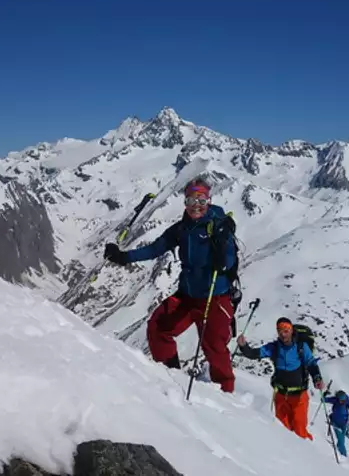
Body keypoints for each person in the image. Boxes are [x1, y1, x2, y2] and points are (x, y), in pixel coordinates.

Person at [103, 177, 238, 393]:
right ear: (185, 202)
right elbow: (156, 248)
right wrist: (124, 257)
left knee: (214, 349)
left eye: (201, 199)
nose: (196, 205)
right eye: (191, 200)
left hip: (215, 297)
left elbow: (230, 258)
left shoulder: (219, 228)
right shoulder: (181, 229)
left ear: (209, 201)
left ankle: (226, 396)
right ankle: (171, 378)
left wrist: (223, 259)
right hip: (187, 296)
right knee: (158, 327)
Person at [236, 317, 325, 440]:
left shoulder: (301, 347)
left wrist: (317, 378)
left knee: (299, 430)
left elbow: (311, 363)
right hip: (280, 395)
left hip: (299, 396)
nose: (283, 334)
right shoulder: (274, 347)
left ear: (291, 330)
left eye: (286, 330)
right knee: (283, 431)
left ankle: (305, 455)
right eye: (280, 331)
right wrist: (243, 346)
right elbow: (254, 353)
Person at [323, 389, 349, 457]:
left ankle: (340, 450)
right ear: (338, 398)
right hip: (335, 423)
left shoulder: (346, 401)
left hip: (344, 423)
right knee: (340, 439)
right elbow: (324, 400)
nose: (342, 402)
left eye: (343, 401)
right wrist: (324, 395)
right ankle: (344, 455)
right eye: (341, 400)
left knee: (342, 440)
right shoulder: (335, 400)